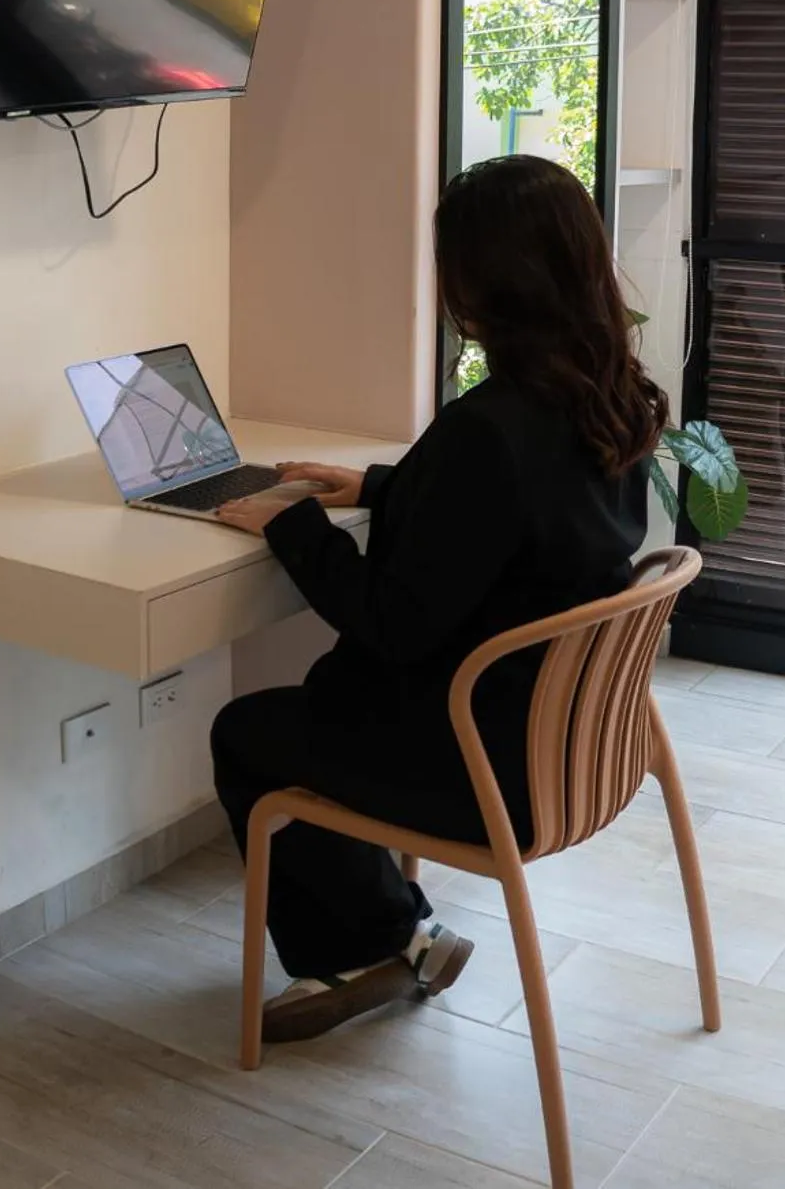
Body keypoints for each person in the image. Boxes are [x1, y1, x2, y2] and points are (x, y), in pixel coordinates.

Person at [209, 154, 664, 1044]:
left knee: (250, 731)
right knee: (307, 716)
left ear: (478, 284)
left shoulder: (485, 430)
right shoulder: (608, 397)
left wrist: (291, 523)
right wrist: (379, 484)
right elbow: (526, 514)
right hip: (560, 743)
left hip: (477, 763)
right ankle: (398, 930)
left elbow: (390, 622)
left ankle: (373, 943)